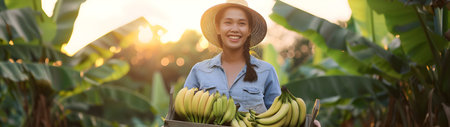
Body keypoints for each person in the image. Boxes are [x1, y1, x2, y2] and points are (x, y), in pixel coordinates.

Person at [183, 0, 280, 114]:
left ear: (249, 30)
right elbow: (184, 113)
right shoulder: (199, 70)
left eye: (242, 23)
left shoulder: (266, 71)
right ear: (218, 28)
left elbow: (276, 116)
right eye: (228, 22)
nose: (234, 29)